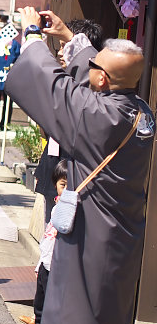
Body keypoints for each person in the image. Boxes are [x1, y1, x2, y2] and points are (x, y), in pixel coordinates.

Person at [6, 6, 154, 324]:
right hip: (121, 239)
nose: (88, 68)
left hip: (89, 235)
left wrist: (31, 36)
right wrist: (69, 37)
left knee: (74, 313)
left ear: (100, 77)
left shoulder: (97, 116)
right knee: (107, 309)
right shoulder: (139, 114)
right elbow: (89, 86)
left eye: (94, 66)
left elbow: (53, 86)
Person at [34, 18, 103, 222]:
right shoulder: (62, 80)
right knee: (50, 231)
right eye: (61, 46)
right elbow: (46, 128)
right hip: (53, 164)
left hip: (76, 173)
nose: (60, 52)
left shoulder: (93, 89)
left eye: (66, 46)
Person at [20, 159, 68, 324]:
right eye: (63, 185)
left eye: (70, 186)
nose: (65, 191)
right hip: (45, 265)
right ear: (55, 185)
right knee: (39, 304)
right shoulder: (56, 207)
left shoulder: (70, 212)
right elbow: (47, 240)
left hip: (56, 269)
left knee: (51, 308)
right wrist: (40, 263)